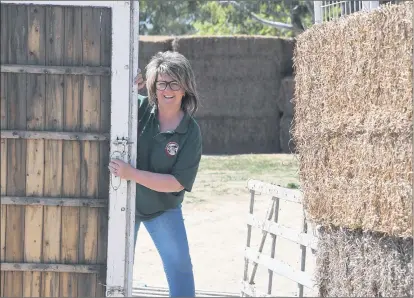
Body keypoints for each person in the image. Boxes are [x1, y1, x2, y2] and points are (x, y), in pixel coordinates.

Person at [108, 51, 202, 297]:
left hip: (163, 209)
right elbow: (109, 97)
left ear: (185, 89)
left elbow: (176, 183)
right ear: (153, 86)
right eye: (161, 83)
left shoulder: (191, 132)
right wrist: (129, 86)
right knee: (112, 270)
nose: (167, 89)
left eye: (174, 83)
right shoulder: (137, 109)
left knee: (180, 268)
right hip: (125, 207)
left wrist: (131, 173)